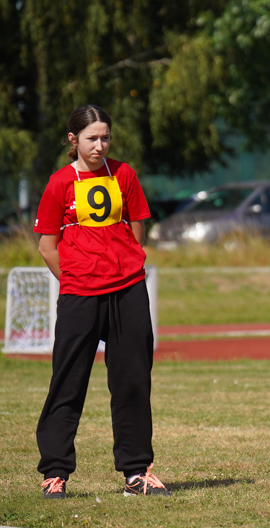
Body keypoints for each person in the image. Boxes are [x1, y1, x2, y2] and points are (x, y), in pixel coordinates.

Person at [33, 104, 171, 499]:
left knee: (132, 382)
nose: (100, 145)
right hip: (80, 294)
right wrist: (76, 279)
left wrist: (122, 267)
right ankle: (55, 473)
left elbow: (137, 229)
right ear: (73, 140)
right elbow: (47, 246)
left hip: (127, 289)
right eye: (92, 138)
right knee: (68, 382)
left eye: (105, 137)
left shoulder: (124, 174)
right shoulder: (60, 182)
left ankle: (137, 471)